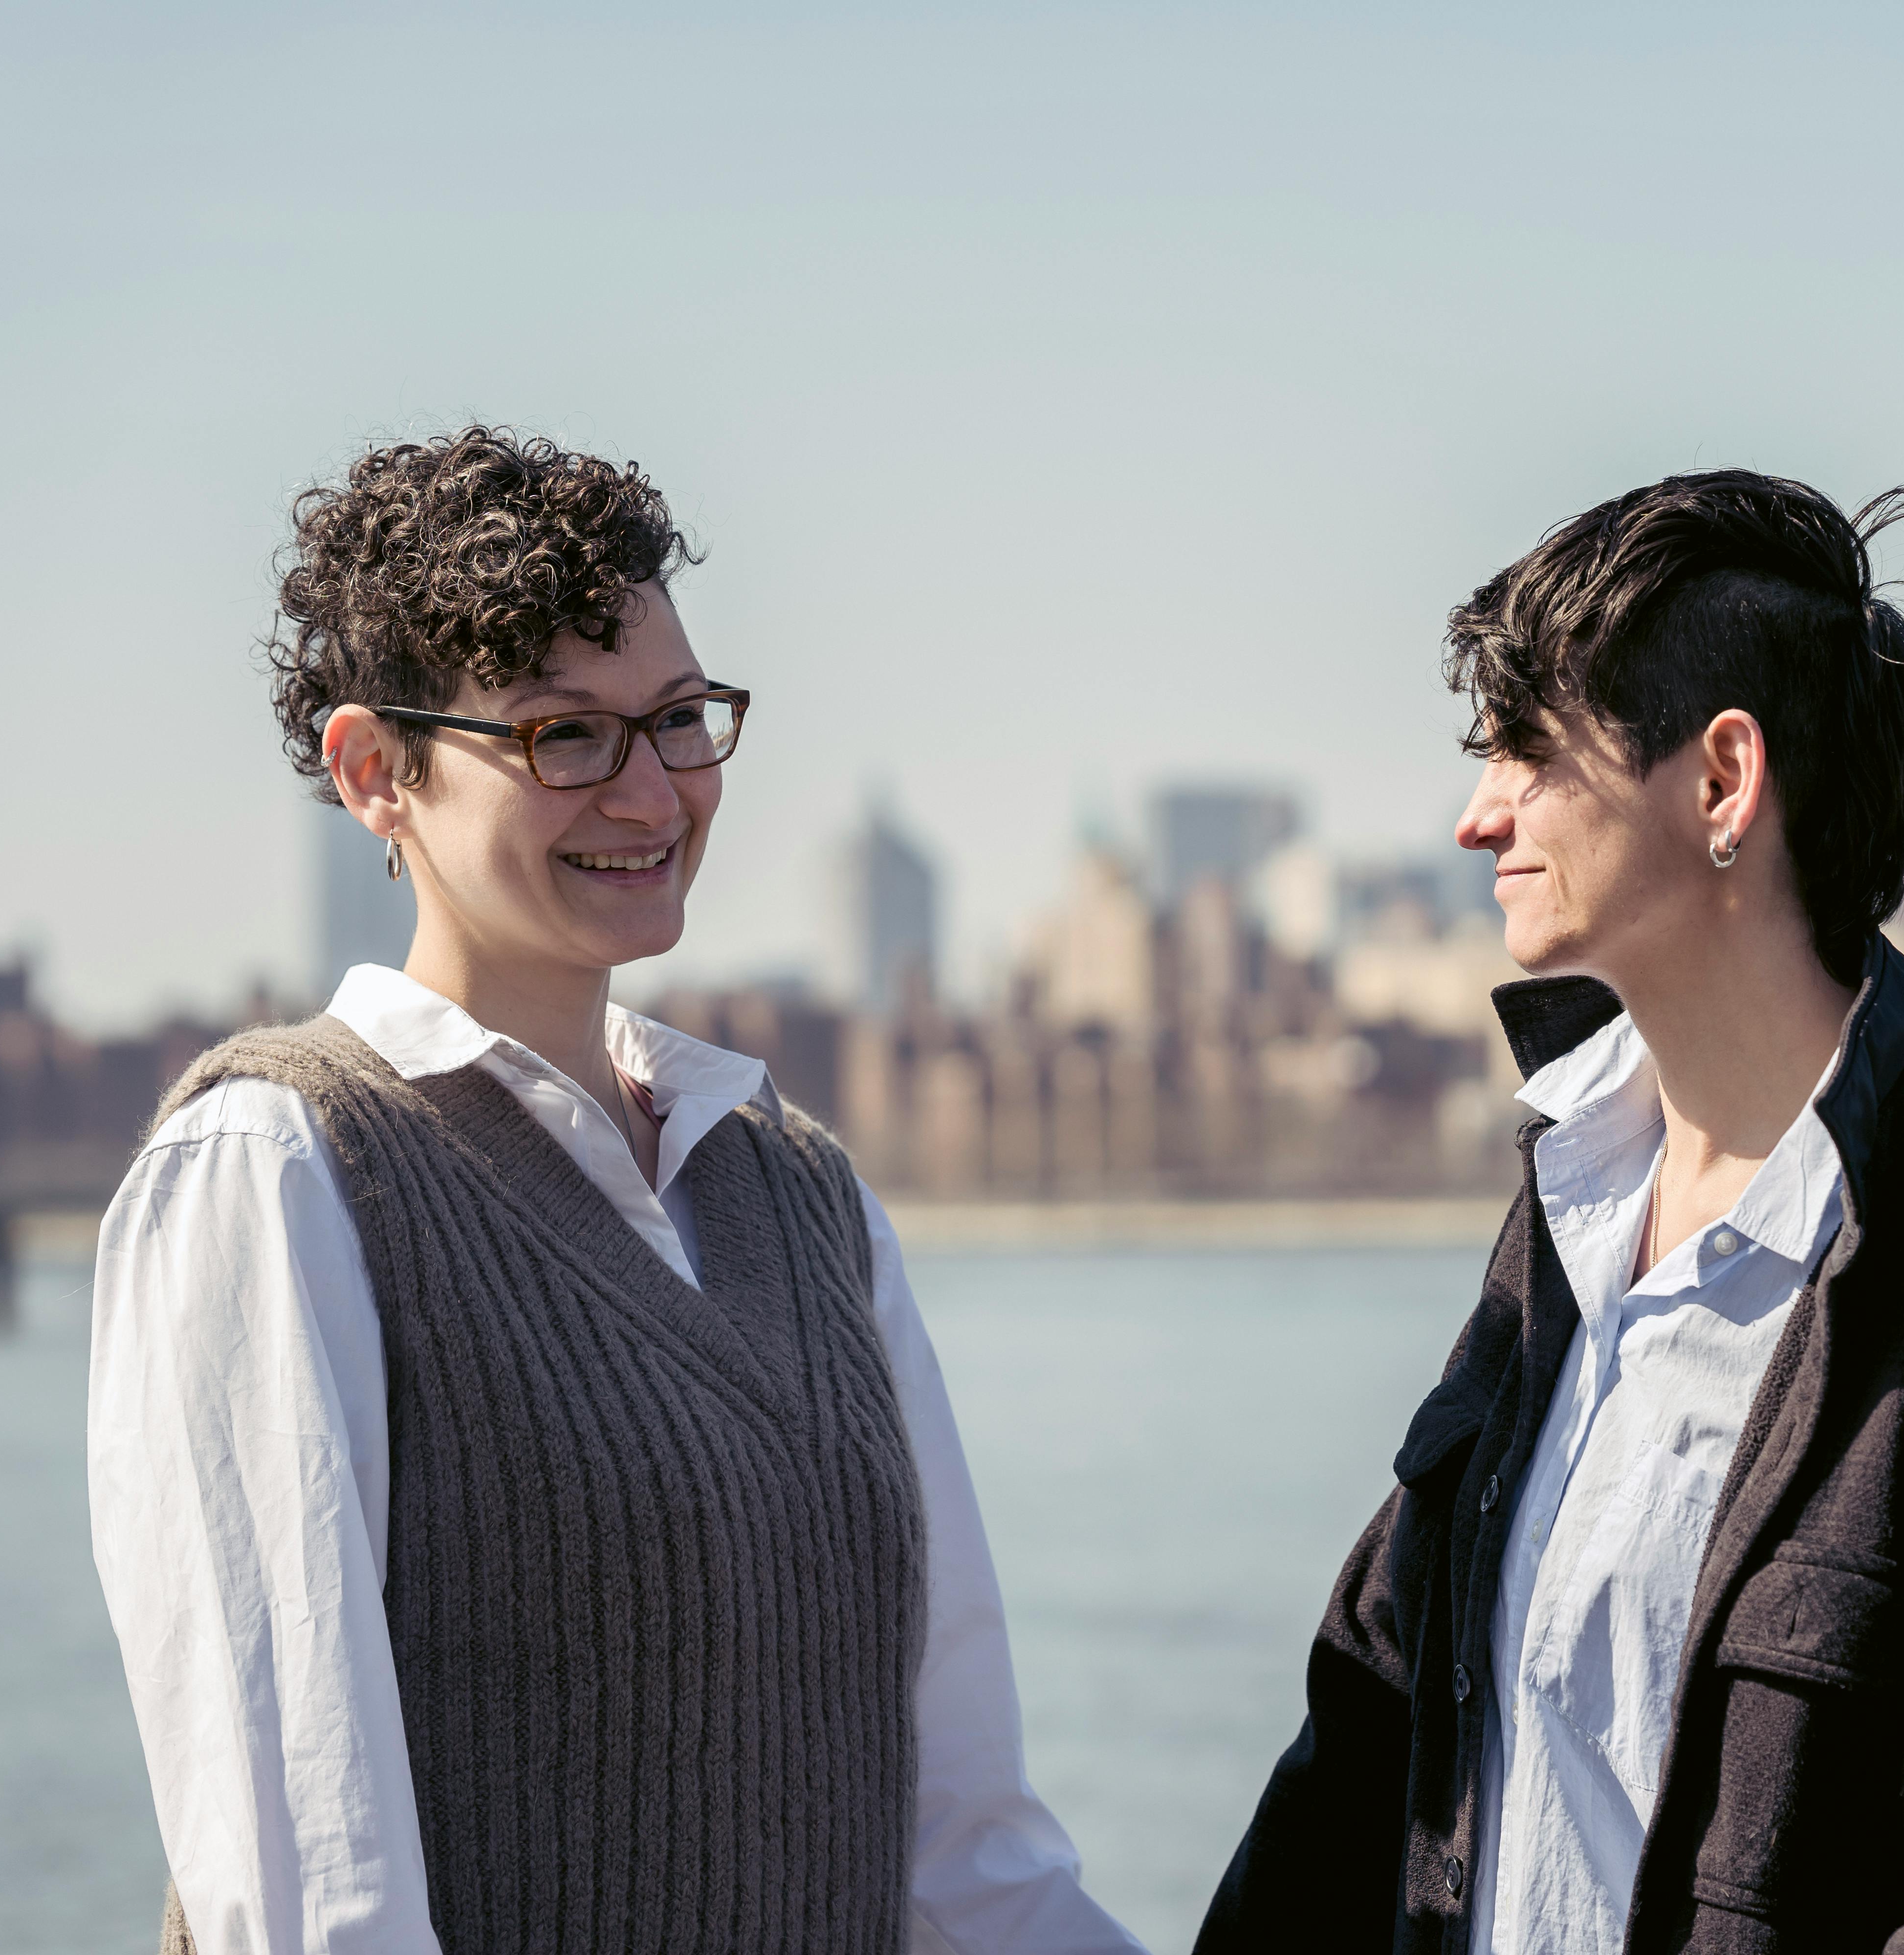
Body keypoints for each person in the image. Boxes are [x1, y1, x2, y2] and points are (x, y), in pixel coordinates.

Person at [88, 427, 1144, 1955]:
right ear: (377, 772)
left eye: (678, 720)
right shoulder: (278, 1170)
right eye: (562, 735)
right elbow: (312, 1890)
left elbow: (965, 1852)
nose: (651, 790)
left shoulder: (800, 1190)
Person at [1197, 471, 1904, 1954]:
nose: (1479, 815)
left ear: (1723, 783)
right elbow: (1364, 1746)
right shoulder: (1570, 1201)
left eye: (1528, 751)